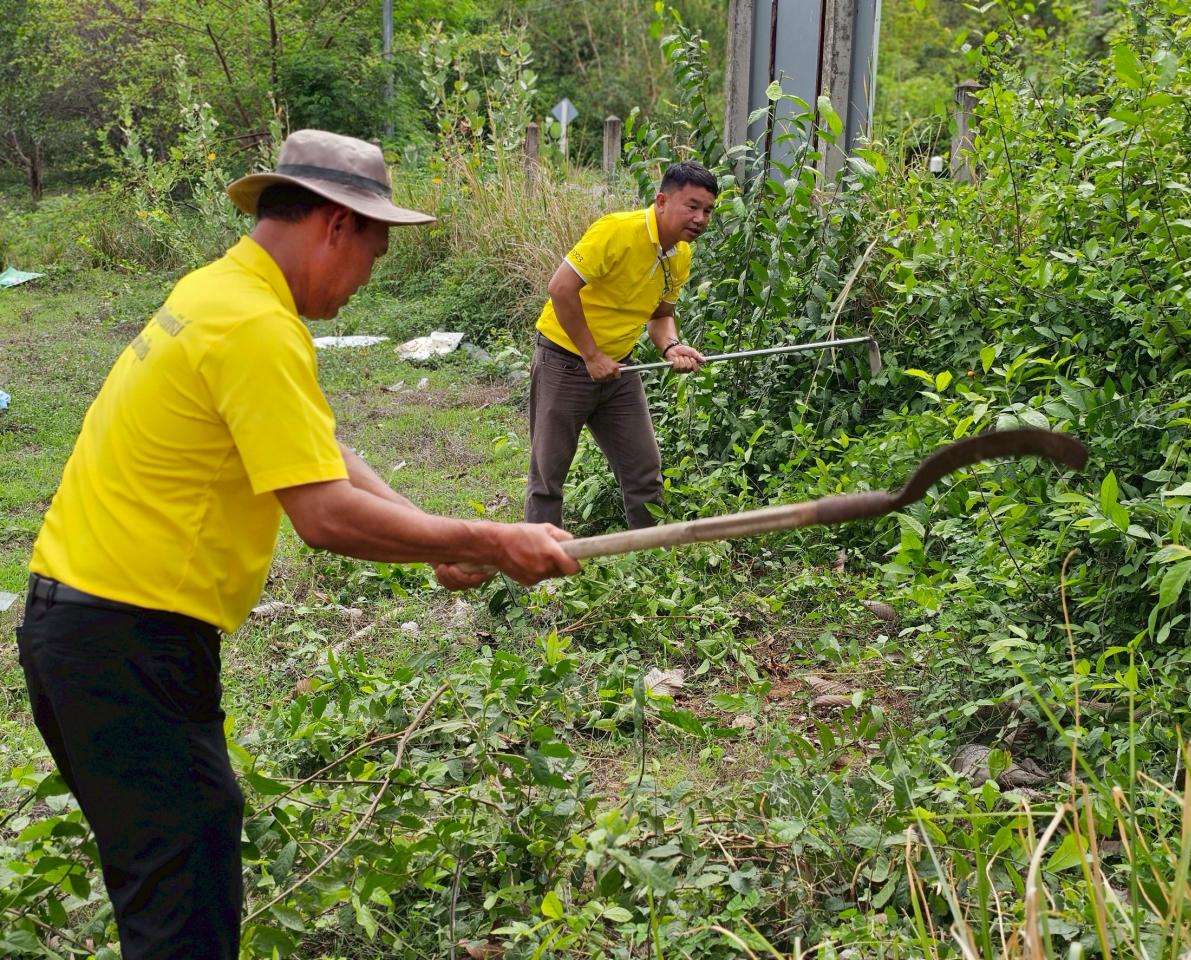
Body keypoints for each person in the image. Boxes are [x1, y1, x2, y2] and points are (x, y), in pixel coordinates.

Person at [16, 129, 578, 960]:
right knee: (182, 917)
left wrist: (436, 541)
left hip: (83, 630)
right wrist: (493, 540)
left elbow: (315, 450)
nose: (365, 281)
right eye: (376, 255)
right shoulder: (253, 325)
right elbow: (324, 516)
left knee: (171, 882)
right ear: (336, 225)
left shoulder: (220, 292)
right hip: (125, 645)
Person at [524, 161, 718, 530]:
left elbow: (661, 315)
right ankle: (539, 570)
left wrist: (671, 347)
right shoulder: (616, 230)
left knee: (645, 472)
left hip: (619, 370)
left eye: (707, 211)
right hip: (563, 362)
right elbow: (560, 289)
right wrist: (591, 355)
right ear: (661, 201)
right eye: (691, 206)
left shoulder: (680, 254)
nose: (700, 219)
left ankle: (648, 561)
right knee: (547, 478)